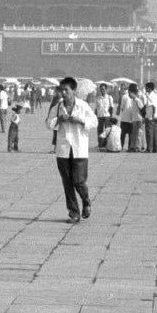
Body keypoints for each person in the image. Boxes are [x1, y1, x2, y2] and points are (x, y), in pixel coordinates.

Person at [48, 76, 97, 223]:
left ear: (74, 91)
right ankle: (74, 212)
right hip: (63, 149)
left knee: (79, 181)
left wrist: (81, 121)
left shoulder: (82, 105)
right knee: (67, 182)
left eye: (66, 90)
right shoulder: (57, 107)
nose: (63, 93)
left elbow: (94, 121)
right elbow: (48, 123)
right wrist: (59, 120)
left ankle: (86, 200)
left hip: (79, 148)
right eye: (61, 90)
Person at [94, 83, 114, 149]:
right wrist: (95, 117)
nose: (102, 90)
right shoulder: (98, 98)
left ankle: (107, 144)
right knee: (100, 131)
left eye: (103, 89)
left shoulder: (109, 97)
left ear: (106, 89)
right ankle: (100, 144)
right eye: (101, 89)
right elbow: (96, 108)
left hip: (107, 116)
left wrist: (111, 117)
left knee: (107, 131)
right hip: (100, 116)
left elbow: (111, 108)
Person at [143, 82, 157, 153]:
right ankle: (155, 148)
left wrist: (150, 117)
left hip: (151, 116)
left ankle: (149, 148)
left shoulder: (150, 96)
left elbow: (152, 107)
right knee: (154, 133)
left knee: (149, 133)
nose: (145, 89)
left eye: (146, 88)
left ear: (149, 88)